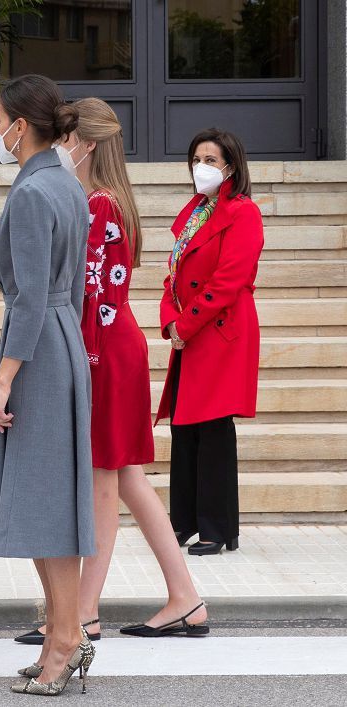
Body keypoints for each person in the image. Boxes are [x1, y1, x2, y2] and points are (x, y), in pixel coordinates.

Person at [12, 98, 208, 652]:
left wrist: (81, 362)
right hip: (112, 344)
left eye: (65, 138)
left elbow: (93, 294)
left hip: (103, 350)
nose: (57, 148)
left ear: (86, 144)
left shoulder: (99, 203)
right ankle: (184, 595)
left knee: (105, 477)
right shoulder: (108, 200)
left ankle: (85, 612)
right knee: (124, 476)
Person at [0, 74, 95, 697]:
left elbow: (28, 300)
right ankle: (60, 635)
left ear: (21, 126)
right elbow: (61, 294)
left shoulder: (32, 194)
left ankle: (67, 639)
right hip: (63, 343)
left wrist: (2, 382)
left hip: (38, 351)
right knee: (50, 505)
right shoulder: (66, 184)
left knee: (45, 506)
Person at [157, 128, 263, 556]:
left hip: (221, 333)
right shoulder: (196, 212)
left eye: (210, 160)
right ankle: (182, 522)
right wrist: (170, 321)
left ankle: (218, 528)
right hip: (191, 332)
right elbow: (173, 275)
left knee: (214, 429)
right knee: (185, 428)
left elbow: (228, 281)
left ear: (231, 167)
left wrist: (187, 323)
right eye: (196, 159)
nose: (201, 167)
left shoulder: (244, 212)